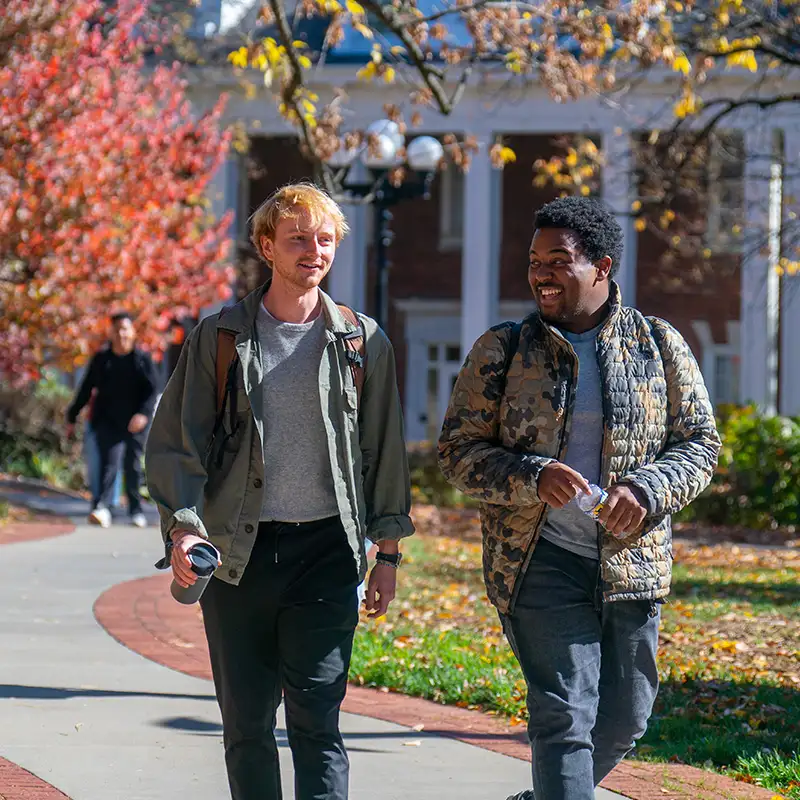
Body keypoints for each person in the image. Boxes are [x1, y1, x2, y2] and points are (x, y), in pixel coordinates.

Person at [438, 196, 721, 800]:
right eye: (535, 259)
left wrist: (646, 489)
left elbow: (700, 444)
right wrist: (531, 475)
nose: (541, 272)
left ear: (602, 267)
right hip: (539, 559)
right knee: (564, 716)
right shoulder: (503, 350)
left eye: (559, 260)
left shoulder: (659, 345)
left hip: (631, 563)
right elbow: (458, 453)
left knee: (627, 718)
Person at [144, 182, 414, 800]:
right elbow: (176, 442)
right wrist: (184, 524)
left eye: (324, 240)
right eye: (298, 239)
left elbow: (384, 451)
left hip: (327, 553)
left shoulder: (361, 341)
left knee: (319, 723)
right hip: (240, 556)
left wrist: (389, 554)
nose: (313, 251)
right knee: (246, 726)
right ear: (267, 246)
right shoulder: (220, 338)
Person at [66, 312, 157, 529]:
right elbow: (86, 388)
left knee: (132, 465)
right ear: (111, 332)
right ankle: (101, 507)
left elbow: (152, 390)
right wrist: (72, 414)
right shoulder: (102, 360)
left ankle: (135, 510)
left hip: (135, 421)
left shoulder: (142, 360)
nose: (121, 334)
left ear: (133, 332)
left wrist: (143, 414)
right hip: (107, 420)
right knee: (110, 462)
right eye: (117, 329)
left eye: (125, 329)